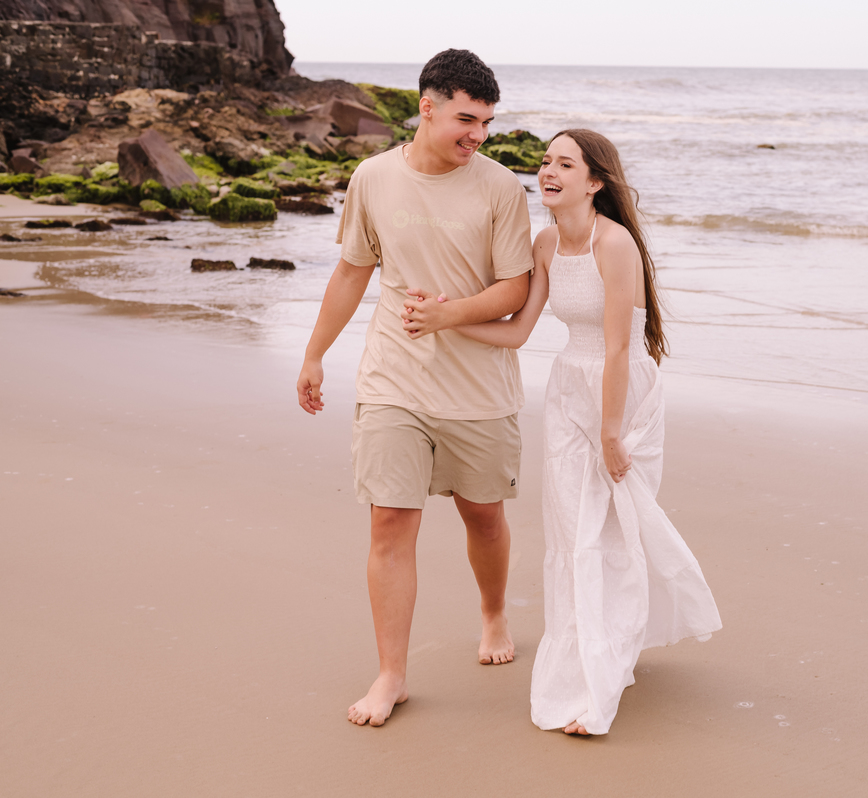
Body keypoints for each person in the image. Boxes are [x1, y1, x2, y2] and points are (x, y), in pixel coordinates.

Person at [449, 129, 722, 736]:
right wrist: (449, 322)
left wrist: (610, 431)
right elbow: (518, 331)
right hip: (569, 384)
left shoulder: (615, 242)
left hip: (621, 396)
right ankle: (583, 656)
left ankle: (609, 657)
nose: (548, 171)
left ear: (595, 181)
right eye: (545, 161)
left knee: (614, 527)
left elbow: (621, 346)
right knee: (571, 530)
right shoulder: (545, 242)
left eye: (564, 164)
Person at [295, 49, 534, 728]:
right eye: (466, 118)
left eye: (486, 122)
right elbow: (351, 272)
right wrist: (314, 355)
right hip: (393, 378)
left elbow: (515, 289)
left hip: (478, 387)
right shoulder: (372, 177)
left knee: (482, 514)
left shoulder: (498, 188)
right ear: (426, 107)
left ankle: (492, 613)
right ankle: (391, 675)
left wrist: (448, 314)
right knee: (390, 522)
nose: (478, 135)